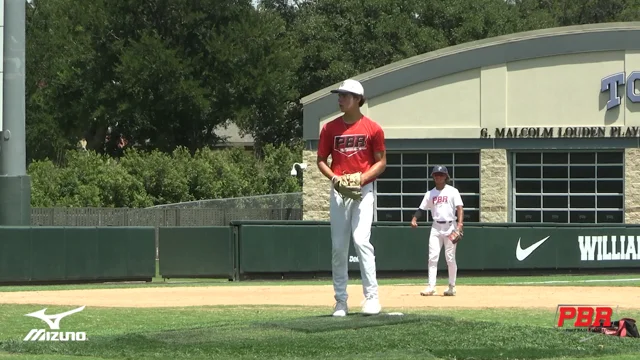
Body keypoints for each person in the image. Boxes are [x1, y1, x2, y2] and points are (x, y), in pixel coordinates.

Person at [316, 79, 387, 317]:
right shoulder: (329, 128)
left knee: (361, 240)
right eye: (339, 95)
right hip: (339, 191)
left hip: (363, 190)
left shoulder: (373, 128)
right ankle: (340, 301)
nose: (340, 99)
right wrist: (336, 179)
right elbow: (321, 161)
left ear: (358, 99)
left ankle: (372, 298)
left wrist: (361, 179)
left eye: (345, 96)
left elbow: (381, 162)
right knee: (338, 247)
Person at [410, 165, 464, 297]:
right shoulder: (430, 193)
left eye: (441, 174)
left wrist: (460, 224)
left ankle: (451, 286)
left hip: (450, 226)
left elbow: (459, 208)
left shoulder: (453, 191)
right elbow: (421, 209)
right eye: (436, 175)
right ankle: (431, 286)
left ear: (446, 176)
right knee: (432, 257)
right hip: (436, 226)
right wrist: (414, 218)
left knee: (450, 258)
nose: (438, 177)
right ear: (433, 177)